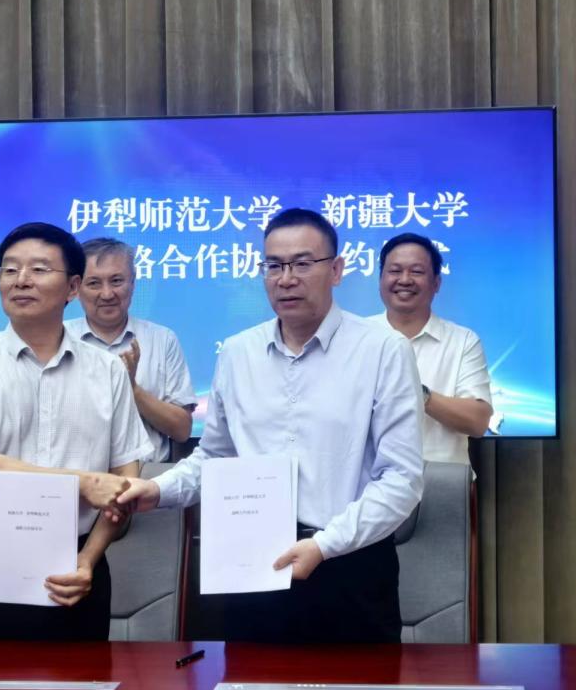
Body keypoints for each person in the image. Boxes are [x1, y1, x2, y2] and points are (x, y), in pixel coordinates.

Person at [114, 208, 425, 643]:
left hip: (349, 564)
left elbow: (401, 478)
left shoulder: (383, 351)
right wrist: (157, 489)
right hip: (252, 560)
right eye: (274, 266)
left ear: (336, 270)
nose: (286, 279)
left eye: (302, 264)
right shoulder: (238, 353)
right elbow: (216, 459)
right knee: (251, 675)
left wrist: (324, 545)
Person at [0, 222, 152, 640]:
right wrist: (83, 483)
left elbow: (124, 482)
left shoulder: (107, 370)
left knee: (84, 676)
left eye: (38, 269)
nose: (21, 280)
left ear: (72, 287)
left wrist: (88, 559)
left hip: (78, 567)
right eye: (9, 269)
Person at [66, 237, 197, 463]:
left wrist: (132, 390)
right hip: (79, 476)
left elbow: (182, 430)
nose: (107, 294)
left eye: (116, 281)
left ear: (133, 283)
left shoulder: (162, 339)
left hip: (149, 476)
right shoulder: (59, 339)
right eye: (94, 283)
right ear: (76, 288)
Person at [369, 232, 493, 468]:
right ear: (380, 280)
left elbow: (478, 422)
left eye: (416, 271)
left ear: (436, 283)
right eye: (395, 271)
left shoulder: (463, 341)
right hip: (368, 481)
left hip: (440, 479)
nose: (404, 280)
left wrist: (419, 393)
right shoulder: (356, 337)